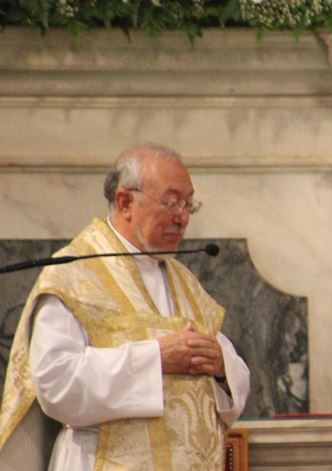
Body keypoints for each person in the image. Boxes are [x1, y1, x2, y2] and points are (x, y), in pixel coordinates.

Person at [0, 143, 250, 470]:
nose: (183, 217)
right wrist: (155, 358)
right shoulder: (73, 274)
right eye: (172, 202)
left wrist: (220, 366)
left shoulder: (185, 283)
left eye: (190, 204)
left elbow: (235, 374)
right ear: (125, 202)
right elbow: (56, 383)